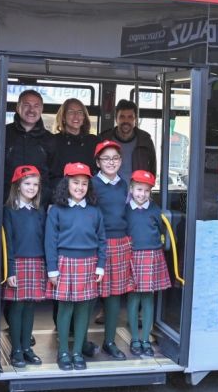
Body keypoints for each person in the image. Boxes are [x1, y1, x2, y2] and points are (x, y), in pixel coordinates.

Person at [45, 162, 106, 371]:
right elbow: (50, 242)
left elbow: (102, 240)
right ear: (66, 184)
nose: (79, 187)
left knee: (83, 310)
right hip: (64, 264)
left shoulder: (95, 211)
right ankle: (63, 352)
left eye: (84, 183)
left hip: (89, 264)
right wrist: (52, 269)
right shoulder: (57, 211)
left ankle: (78, 351)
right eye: (75, 182)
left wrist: (100, 266)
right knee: (65, 309)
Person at [91, 140, 133, 360]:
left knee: (115, 295)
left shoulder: (123, 184)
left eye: (115, 158)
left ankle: (109, 341)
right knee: (87, 295)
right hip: (96, 244)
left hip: (119, 242)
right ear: (98, 161)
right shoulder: (90, 184)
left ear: (120, 161)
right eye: (105, 158)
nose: (111, 162)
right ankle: (76, 340)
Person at [2, 165, 46, 369]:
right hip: (18, 262)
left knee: (30, 306)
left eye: (35, 184)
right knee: (17, 307)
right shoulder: (9, 210)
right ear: (18, 186)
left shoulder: (39, 211)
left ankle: (27, 347)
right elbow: (8, 242)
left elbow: (44, 239)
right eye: (27, 183)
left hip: (36, 262)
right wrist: (10, 270)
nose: (31, 188)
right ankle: (16, 348)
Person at [125, 170, 170, 357]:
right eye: (138, 189)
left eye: (146, 190)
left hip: (151, 256)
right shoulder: (125, 210)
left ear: (151, 191)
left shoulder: (155, 210)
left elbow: (161, 230)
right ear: (131, 189)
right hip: (132, 255)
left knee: (148, 298)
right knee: (133, 298)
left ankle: (145, 339)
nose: (141, 194)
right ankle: (134, 338)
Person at [5, 90, 56, 206]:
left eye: (36, 106)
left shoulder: (50, 140)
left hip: (39, 205)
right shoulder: (3, 134)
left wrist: (46, 199)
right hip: (5, 203)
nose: (31, 110)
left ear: (42, 109)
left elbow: (54, 175)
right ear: (18, 107)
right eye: (26, 105)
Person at [99, 99, 156, 181]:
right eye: (122, 117)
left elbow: (152, 169)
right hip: (108, 192)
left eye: (130, 117)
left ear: (135, 119)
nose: (126, 121)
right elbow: (96, 168)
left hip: (137, 192)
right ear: (116, 118)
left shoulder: (145, 140)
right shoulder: (104, 139)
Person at [49, 98, 99, 189]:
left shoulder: (94, 141)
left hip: (88, 195)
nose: (76, 116)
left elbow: (100, 173)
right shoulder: (53, 141)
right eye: (71, 112)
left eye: (80, 112)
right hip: (60, 194)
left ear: (84, 117)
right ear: (63, 117)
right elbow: (49, 176)